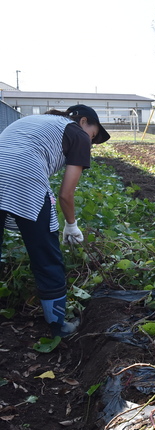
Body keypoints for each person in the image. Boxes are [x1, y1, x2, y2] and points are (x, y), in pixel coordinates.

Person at [0, 104, 109, 337]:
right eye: (92, 135)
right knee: (46, 255)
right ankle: (58, 325)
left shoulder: (37, 121)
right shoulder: (77, 133)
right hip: (25, 176)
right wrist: (71, 225)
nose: (89, 142)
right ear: (83, 122)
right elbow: (65, 194)